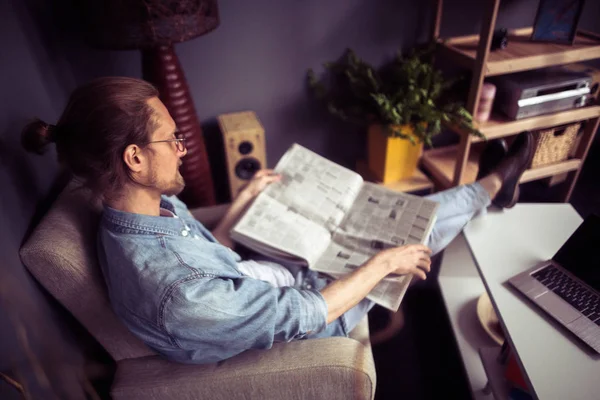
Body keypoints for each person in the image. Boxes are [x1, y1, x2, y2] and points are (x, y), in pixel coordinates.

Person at [22, 77, 534, 364]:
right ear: (134, 159)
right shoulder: (179, 294)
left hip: (255, 283)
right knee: (400, 240)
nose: (182, 148)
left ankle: (488, 188)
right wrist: (381, 266)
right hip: (302, 307)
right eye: (172, 139)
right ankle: (492, 187)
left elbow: (210, 258)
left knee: (365, 208)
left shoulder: (138, 213)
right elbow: (308, 314)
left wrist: (243, 201)